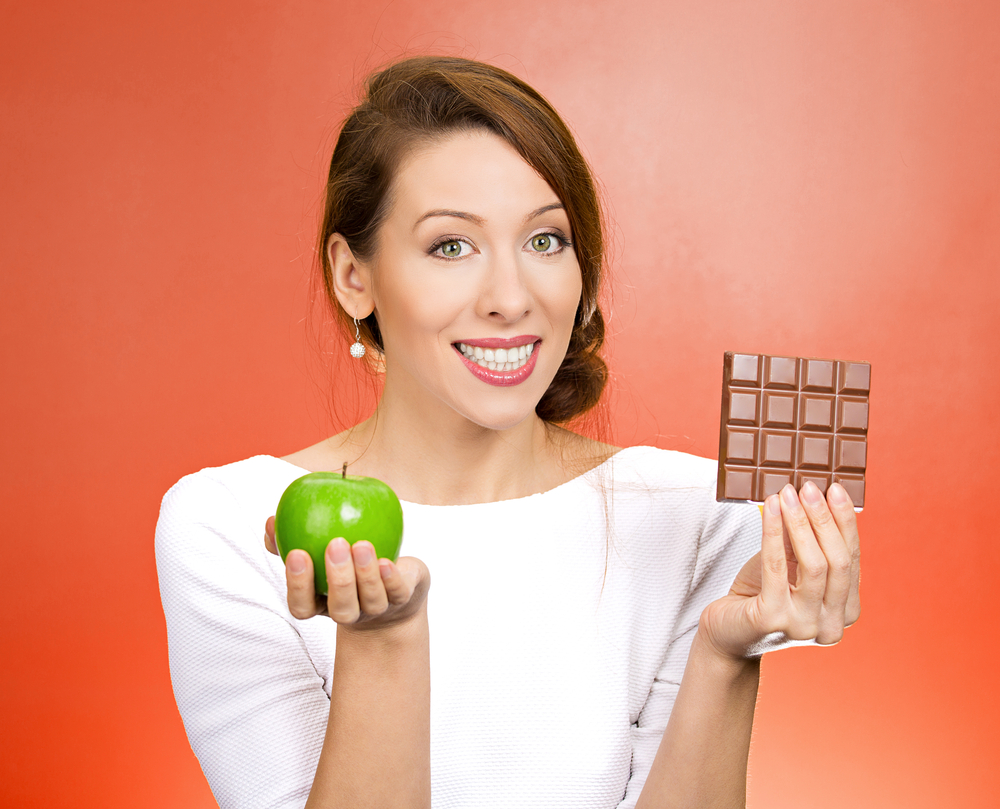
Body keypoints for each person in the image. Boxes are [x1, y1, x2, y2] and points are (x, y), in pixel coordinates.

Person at [155, 56, 861, 809]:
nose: (509, 298)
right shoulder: (229, 525)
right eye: (451, 245)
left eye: (545, 241)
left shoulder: (695, 513)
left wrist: (724, 652)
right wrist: (383, 641)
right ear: (351, 274)